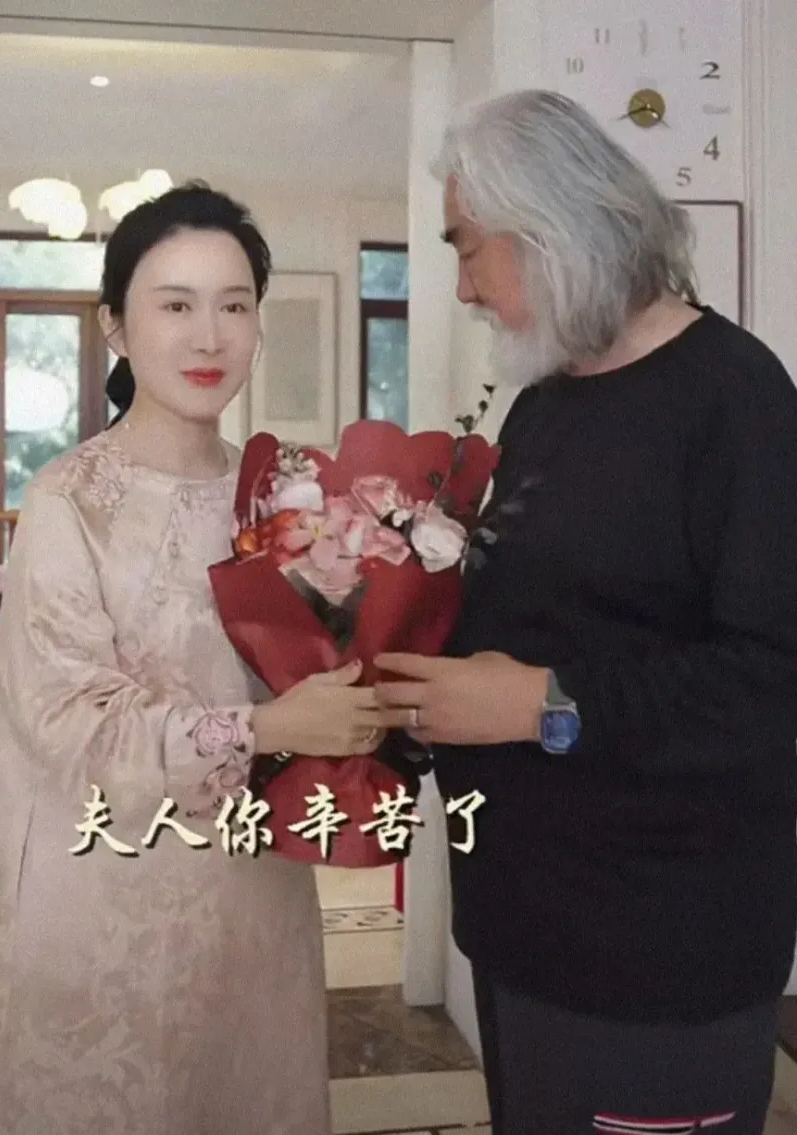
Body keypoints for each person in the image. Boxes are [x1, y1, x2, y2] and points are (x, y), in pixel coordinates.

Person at [375, 90, 797, 1134]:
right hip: (523, 932)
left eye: (466, 246)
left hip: (661, 951)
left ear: (548, 223)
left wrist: (542, 704)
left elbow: (768, 683)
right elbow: (531, 623)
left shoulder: (737, 400)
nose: (463, 287)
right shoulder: (545, 404)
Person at [0, 182, 383, 1135]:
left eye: (234, 305)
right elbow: (70, 722)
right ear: (115, 324)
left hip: (251, 898)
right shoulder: (69, 501)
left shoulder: (286, 497)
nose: (209, 336)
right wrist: (269, 726)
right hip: (99, 898)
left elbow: (329, 665)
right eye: (176, 305)